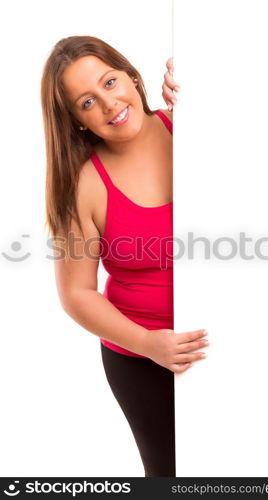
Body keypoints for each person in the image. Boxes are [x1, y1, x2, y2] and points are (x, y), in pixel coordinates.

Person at [41, 36, 209, 477]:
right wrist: (148, 344)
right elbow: (76, 294)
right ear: (76, 121)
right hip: (141, 360)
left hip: (221, 339)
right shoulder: (84, 185)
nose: (109, 103)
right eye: (87, 102)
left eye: (111, 81)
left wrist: (206, 87)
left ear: (133, 76)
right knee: (170, 476)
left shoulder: (194, 128)